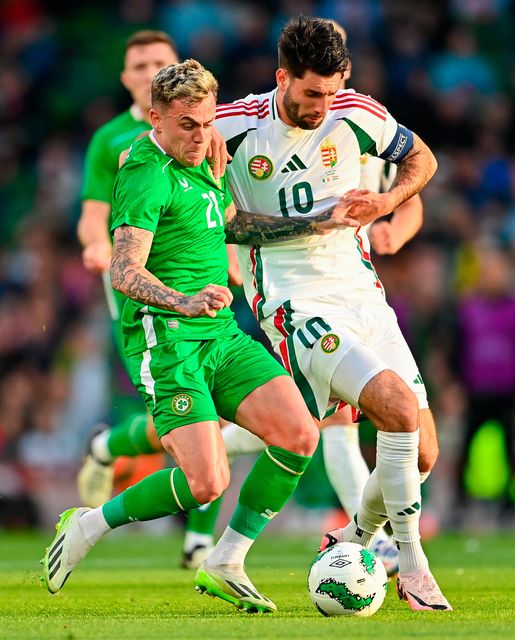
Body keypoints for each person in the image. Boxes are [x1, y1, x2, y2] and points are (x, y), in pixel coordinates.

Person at [41, 59, 358, 613]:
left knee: (299, 434)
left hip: (221, 334)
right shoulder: (145, 172)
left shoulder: (207, 154)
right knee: (206, 482)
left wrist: (314, 222)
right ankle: (89, 524)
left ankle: (226, 559)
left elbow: (232, 222)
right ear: (155, 119)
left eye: (207, 121)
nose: (200, 135)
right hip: (168, 341)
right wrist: (183, 300)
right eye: (186, 124)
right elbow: (125, 271)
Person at [213, 17, 451, 611]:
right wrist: (312, 223)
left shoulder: (357, 112)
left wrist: (388, 200)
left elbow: (423, 160)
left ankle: (352, 538)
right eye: (308, 93)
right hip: (293, 300)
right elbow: (221, 222)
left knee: (423, 453)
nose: (320, 105)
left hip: (363, 293)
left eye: (330, 90)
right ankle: (412, 566)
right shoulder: (236, 128)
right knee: (390, 407)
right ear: (282, 78)